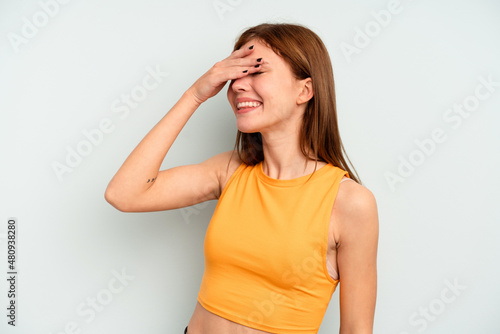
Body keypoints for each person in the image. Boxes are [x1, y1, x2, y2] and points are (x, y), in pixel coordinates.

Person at [105, 22, 379, 334]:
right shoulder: (230, 170)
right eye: (236, 73)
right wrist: (195, 95)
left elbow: (357, 328)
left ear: (304, 90)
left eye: (256, 71)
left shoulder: (350, 202)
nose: (237, 86)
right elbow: (124, 194)